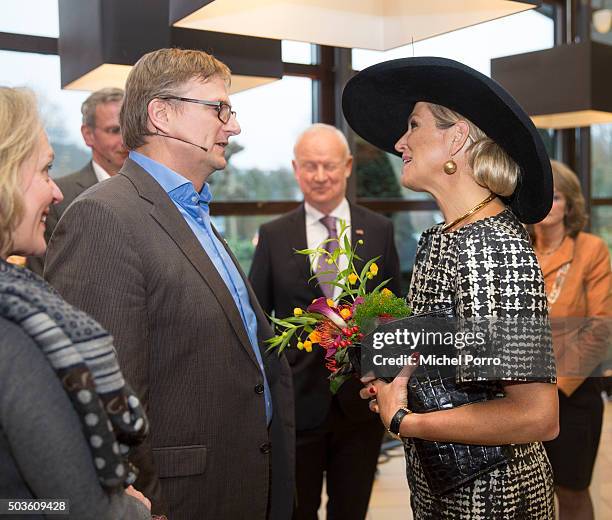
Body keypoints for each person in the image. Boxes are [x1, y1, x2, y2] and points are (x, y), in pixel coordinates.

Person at [44, 48, 295, 520]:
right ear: (161, 115)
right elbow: (104, 392)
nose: (233, 126)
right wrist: (139, 501)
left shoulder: (192, 210)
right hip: (178, 499)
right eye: (218, 109)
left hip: (243, 480)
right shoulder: (104, 216)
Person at [342, 57, 559, 519]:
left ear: (456, 137)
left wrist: (404, 419)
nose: (399, 142)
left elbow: (535, 414)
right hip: (446, 488)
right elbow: (465, 362)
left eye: (413, 125)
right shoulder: (448, 238)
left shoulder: (492, 246)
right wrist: (398, 376)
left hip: (493, 498)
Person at [0, 87, 152, 519]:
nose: (56, 192)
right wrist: (125, 508)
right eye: (45, 170)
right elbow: (71, 506)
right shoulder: (15, 336)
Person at [249, 123, 401, 520]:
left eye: (329, 166)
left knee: (351, 510)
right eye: (310, 166)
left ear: (348, 166)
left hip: (360, 404)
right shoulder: (273, 235)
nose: (320, 176)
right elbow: (258, 321)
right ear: (295, 169)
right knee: (298, 510)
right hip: (297, 405)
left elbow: (393, 316)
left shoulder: (380, 230)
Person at [532, 160, 612, 520]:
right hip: (516, 392)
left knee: (572, 493)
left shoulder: (591, 249)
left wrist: (555, 384)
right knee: (529, 491)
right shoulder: (516, 248)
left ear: (571, 205)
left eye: (558, 196)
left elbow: (601, 327)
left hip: (573, 394)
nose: (548, 204)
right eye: (542, 195)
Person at [27, 87, 127, 275]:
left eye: (129, 129)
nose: (124, 140)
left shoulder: (152, 193)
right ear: (88, 135)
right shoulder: (56, 197)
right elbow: (40, 275)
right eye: (114, 130)